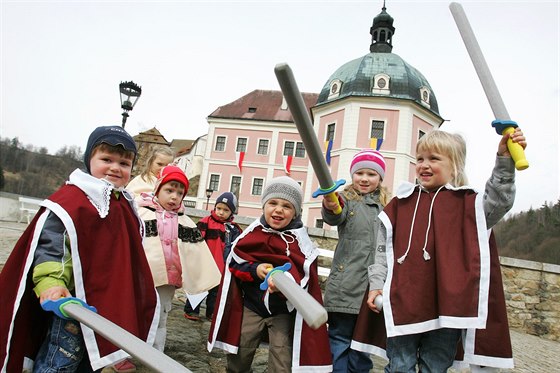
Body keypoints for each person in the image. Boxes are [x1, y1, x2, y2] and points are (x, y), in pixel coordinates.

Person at [352, 128, 527, 372]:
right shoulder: (400, 204)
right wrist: (377, 284)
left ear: (455, 165)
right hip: (403, 302)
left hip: (447, 308)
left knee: (435, 366)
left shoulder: (468, 204)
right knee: (399, 366)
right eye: (420, 158)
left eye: (434, 158)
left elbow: (499, 201)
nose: (424, 164)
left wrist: (505, 161)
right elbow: (382, 250)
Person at [0, 125, 159, 373]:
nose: (116, 168)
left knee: (91, 362)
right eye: (106, 159)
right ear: (89, 160)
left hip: (104, 306)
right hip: (73, 306)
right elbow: (52, 246)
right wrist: (51, 283)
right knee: (61, 362)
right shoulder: (73, 201)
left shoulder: (124, 205)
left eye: (124, 163)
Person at [208, 176, 332, 372]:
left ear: (295, 212)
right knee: (241, 349)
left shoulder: (300, 242)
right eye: (273, 203)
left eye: (287, 206)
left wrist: (286, 284)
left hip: (282, 310)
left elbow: (305, 276)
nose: (278, 210)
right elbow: (235, 263)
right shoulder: (252, 234)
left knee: (282, 356)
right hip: (252, 306)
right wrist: (255, 270)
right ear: (264, 206)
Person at [136, 165, 222, 351]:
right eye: (169, 190)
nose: (174, 196)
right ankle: (130, 350)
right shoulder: (140, 214)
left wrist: (200, 277)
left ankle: (156, 352)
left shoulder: (184, 221)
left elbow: (196, 252)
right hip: (141, 276)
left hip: (168, 280)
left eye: (179, 192)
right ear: (158, 189)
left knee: (162, 315)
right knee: (137, 312)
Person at [321, 148, 390, 372]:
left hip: (372, 288)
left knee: (362, 346)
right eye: (359, 173)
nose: (364, 179)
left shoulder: (387, 208)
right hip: (345, 286)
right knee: (339, 341)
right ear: (352, 175)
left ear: (380, 178)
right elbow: (335, 214)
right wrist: (330, 204)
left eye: (371, 174)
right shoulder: (346, 200)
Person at [183, 191, 242, 321]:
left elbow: (237, 247)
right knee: (199, 288)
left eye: (225, 210)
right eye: (219, 208)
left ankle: (212, 313)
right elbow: (195, 241)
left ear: (232, 212)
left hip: (220, 266)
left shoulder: (233, 229)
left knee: (216, 293)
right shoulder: (205, 222)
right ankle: (191, 310)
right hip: (204, 263)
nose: (221, 212)